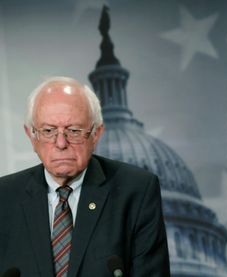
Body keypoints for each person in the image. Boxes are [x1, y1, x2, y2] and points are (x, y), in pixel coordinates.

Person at [0, 76, 170, 276]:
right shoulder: (4, 197)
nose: (61, 143)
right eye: (48, 130)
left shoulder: (135, 191)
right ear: (31, 135)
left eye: (74, 131)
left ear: (96, 134)